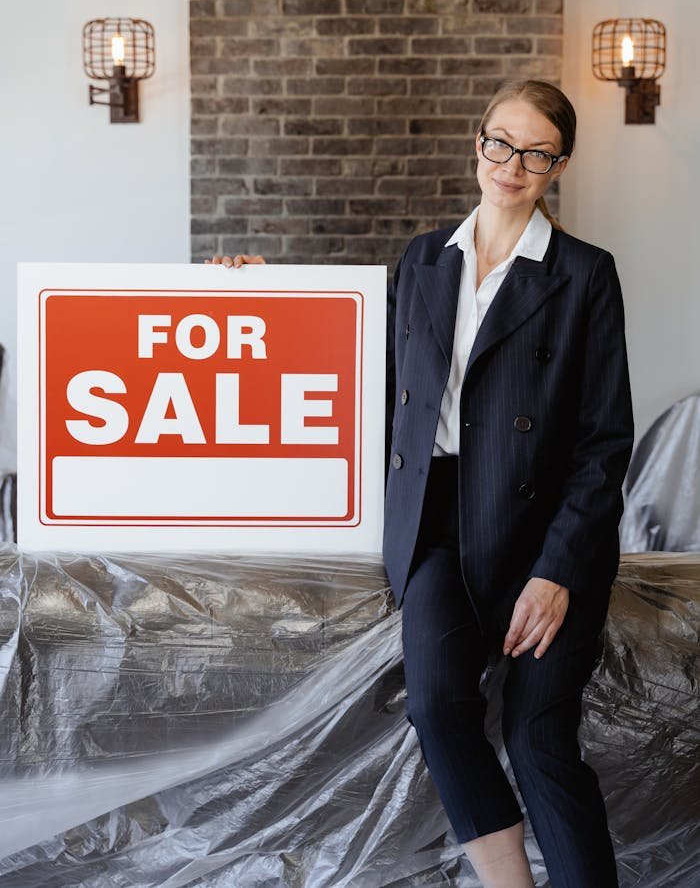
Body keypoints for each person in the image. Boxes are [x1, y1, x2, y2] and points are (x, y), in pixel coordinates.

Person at [210, 78, 635, 888]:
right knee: (437, 704)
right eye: (501, 143)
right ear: (478, 144)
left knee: (541, 739)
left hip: (547, 535)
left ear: (558, 166)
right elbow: (367, 369)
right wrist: (258, 296)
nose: (512, 163)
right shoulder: (422, 258)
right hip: (437, 525)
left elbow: (604, 440)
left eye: (536, 152)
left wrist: (557, 574)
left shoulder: (583, 274)